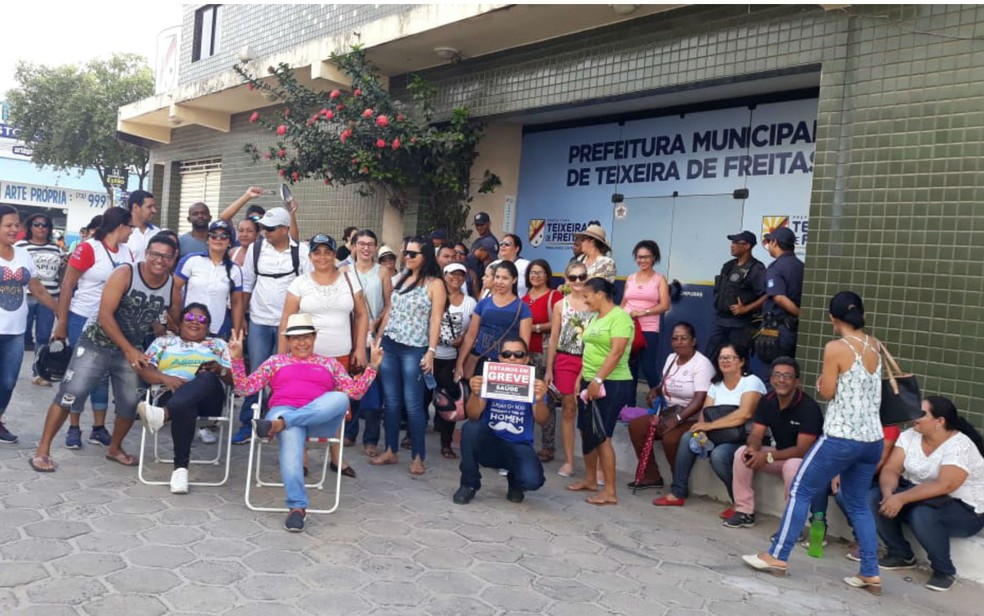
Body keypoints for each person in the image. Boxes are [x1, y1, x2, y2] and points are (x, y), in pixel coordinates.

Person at [743, 291, 885, 593]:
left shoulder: (836, 347)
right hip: (872, 440)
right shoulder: (875, 345)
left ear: (832, 318)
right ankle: (870, 572)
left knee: (800, 489)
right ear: (862, 314)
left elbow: (828, 392)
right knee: (858, 504)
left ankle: (777, 556)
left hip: (841, 436)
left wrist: (822, 383)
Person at [30, 232, 177, 472]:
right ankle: (42, 451)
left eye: (167, 257)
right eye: (155, 254)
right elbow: (104, 316)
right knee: (70, 394)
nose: (160, 260)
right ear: (147, 253)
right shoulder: (125, 274)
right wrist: (129, 350)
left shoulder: (172, 284)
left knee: (130, 402)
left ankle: (115, 448)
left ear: (174, 259)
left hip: (131, 350)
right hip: (97, 343)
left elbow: (168, 318)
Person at [229, 314, 383, 532]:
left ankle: (282, 423)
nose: (301, 342)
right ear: (288, 341)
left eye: (306, 337)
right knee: (292, 431)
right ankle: (297, 508)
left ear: (314, 337)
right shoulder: (276, 361)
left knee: (340, 398)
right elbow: (244, 389)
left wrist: (373, 366)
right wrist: (236, 359)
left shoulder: (328, 364)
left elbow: (355, 393)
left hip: (316, 419)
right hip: (284, 411)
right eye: (295, 338)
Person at [870, 396, 984, 592]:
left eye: (921, 414)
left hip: (963, 509)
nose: (915, 417)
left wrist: (901, 498)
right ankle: (901, 554)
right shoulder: (910, 436)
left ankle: (944, 570)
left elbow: (945, 485)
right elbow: (891, 470)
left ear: (940, 421)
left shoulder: (960, 445)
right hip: (921, 496)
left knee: (922, 514)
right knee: (873, 497)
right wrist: (889, 494)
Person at [279, 233, 367, 476]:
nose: (322, 257)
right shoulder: (300, 283)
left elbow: (361, 314)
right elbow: (286, 320)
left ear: (334, 255)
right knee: (303, 403)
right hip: (306, 356)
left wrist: (360, 348)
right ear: (310, 256)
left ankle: (337, 457)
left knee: (338, 406)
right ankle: (303, 456)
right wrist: (280, 356)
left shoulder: (349, 279)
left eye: (327, 251)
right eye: (317, 252)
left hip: (340, 355)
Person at [51, 207, 134, 449]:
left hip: (111, 323)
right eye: (130, 227)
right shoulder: (88, 248)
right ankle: (73, 426)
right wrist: (62, 322)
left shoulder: (128, 252)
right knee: (81, 374)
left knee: (102, 375)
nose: (131, 232)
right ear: (120, 226)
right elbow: (67, 286)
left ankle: (98, 427)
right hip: (83, 317)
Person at [653, 343, 766, 512]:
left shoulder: (751, 382)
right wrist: (700, 431)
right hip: (716, 435)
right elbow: (705, 414)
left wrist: (711, 425)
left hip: (742, 437)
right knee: (687, 438)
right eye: (721, 358)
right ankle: (678, 492)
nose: (725, 361)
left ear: (741, 361)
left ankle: (740, 504)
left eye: (730, 357)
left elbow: (745, 414)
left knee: (720, 456)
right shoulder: (716, 384)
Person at [136, 304, 233, 493]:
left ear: (208, 326)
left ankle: (163, 415)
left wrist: (219, 369)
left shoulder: (219, 345)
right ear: (180, 323)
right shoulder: (163, 342)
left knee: (205, 377)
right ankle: (180, 470)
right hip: (170, 393)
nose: (195, 321)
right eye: (189, 317)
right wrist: (165, 378)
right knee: (184, 406)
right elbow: (145, 371)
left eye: (202, 319)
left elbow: (234, 382)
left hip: (208, 398)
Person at [236, 207, 312, 444]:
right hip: (259, 320)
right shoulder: (256, 250)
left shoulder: (302, 252)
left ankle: (277, 422)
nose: (264, 232)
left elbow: (307, 287)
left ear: (284, 229)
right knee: (257, 372)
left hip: (288, 327)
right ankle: (248, 423)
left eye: (269, 229)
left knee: (282, 373)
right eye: (263, 228)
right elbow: (247, 285)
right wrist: (240, 323)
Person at [370, 237, 446, 474]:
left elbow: (436, 319)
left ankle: (417, 456)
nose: (407, 257)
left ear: (426, 257)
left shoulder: (435, 284)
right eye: (406, 253)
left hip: (415, 348)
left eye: (413, 254)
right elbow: (390, 311)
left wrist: (431, 351)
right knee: (390, 402)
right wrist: (379, 339)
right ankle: (390, 450)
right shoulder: (401, 278)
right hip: (391, 346)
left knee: (413, 404)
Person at [724, 357, 823, 529]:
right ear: (771, 379)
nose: (781, 380)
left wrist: (767, 456)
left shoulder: (809, 408)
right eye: (777, 375)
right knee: (742, 453)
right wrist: (754, 449)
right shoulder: (767, 401)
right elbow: (756, 433)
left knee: (792, 466)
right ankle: (744, 511)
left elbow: (802, 451)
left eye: (787, 376)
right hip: (779, 455)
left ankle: (792, 525)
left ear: (796, 382)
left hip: (807, 462)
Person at [453, 337, 549, 505]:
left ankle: (515, 480)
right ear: (500, 358)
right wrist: (475, 394)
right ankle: (469, 484)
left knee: (533, 481)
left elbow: (542, 420)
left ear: (526, 359)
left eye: (518, 354)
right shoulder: (489, 379)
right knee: (470, 428)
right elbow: (473, 415)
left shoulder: (534, 385)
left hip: (519, 445)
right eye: (507, 354)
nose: (512, 358)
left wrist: (540, 400)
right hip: (490, 441)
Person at [565, 277, 634, 506]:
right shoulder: (596, 318)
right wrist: (581, 379)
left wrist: (597, 379)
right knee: (587, 431)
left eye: (587, 296)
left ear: (600, 294)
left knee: (603, 435)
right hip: (590, 380)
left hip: (612, 383)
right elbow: (590, 351)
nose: (585, 301)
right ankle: (590, 480)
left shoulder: (620, 318)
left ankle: (610, 491)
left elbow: (616, 353)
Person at [627, 322, 714, 490]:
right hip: (669, 413)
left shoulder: (702, 364)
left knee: (671, 439)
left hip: (691, 418)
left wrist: (678, 419)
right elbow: (664, 384)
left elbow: (700, 399)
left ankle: (679, 483)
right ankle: (651, 476)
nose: (679, 342)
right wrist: (655, 391)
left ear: (693, 341)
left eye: (684, 338)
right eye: (675, 339)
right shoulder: (671, 358)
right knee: (636, 427)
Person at [0, 205, 58, 443]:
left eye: (17, 225)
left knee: (8, 382)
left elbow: (37, 289)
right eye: (9, 225)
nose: (15, 229)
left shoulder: (23, 255)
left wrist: (61, 313)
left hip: (15, 331)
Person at [544, 261, 596, 478]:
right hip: (565, 359)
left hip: (591, 359)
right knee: (568, 408)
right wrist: (549, 369)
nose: (577, 281)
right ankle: (568, 460)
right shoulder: (560, 305)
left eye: (581, 277)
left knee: (589, 412)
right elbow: (554, 337)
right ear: (566, 279)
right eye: (572, 277)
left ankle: (594, 465)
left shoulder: (595, 303)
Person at [344, 229, 392, 456]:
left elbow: (390, 305)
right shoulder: (343, 271)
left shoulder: (382, 272)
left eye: (370, 244)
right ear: (353, 246)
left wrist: (379, 329)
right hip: (348, 337)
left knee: (372, 391)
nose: (365, 248)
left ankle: (370, 439)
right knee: (349, 387)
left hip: (373, 338)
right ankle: (349, 433)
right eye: (361, 244)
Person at [455, 260, 533, 382]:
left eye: (505, 278)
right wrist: (460, 362)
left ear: (514, 280)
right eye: (497, 277)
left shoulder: (522, 307)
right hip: (481, 360)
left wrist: (520, 368)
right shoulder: (483, 303)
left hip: (507, 366)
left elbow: (524, 343)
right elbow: (471, 335)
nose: (500, 282)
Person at [172, 220, 244, 339]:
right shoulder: (191, 260)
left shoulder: (235, 269)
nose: (218, 239)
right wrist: (176, 321)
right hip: (189, 326)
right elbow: (174, 290)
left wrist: (235, 333)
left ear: (230, 242)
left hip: (218, 330)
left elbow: (237, 303)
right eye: (213, 235)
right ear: (207, 239)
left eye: (224, 236)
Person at [434, 262, 477, 459]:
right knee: (423, 396)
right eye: (452, 274)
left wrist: (464, 337)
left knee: (449, 400)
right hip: (431, 355)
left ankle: (445, 443)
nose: (456, 278)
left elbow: (473, 329)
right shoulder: (435, 296)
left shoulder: (470, 302)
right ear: (445, 275)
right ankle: (411, 435)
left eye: (460, 275)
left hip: (452, 358)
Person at [522, 259, 562, 462]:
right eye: (532, 273)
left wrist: (535, 328)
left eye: (539, 272)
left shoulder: (554, 296)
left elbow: (558, 323)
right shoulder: (524, 297)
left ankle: (548, 447)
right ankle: (523, 440)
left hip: (544, 353)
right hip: (524, 355)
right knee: (524, 400)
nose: (535, 276)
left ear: (547, 275)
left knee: (545, 400)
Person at [15, 213, 63, 381]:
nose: (41, 228)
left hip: (49, 298)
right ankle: (12, 367)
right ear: (30, 227)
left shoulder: (56, 248)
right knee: (21, 334)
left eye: (45, 225)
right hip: (26, 296)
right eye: (37, 224)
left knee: (43, 336)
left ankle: (38, 372)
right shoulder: (20, 246)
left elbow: (61, 274)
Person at [706, 231, 766, 364]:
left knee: (737, 361)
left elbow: (767, 295)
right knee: (710, 359)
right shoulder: (728, 266)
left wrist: (746, 308)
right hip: (720, 321)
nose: (732, 246)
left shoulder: (757, 269)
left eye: (736, 243)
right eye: (731, 242)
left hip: (740, 325)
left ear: (747, 246)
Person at [621, 239, 670, 392]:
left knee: (648, 367)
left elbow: (664, 305)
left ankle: (659, 403)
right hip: (627, 327)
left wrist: (644, 312)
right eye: (639, 257)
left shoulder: (659, 279)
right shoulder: (630, 278)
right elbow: (623, 303)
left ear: (654, 258)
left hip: (649, 328)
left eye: (646, 257)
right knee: (629, 368)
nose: (642, 260)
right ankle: (628, 408)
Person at [761, 226, 804, 360]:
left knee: (773, 372)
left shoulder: (776, 267)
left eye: (769, 241)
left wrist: (800, 314)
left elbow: (779, 297)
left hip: (778, 329)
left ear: (774, 242)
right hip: (793, 328)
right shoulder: (800, 265)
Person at [124, 190, 160, 262]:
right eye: (149, 207)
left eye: (154, 206)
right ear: (135, 207)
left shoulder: (157, 233)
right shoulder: (123, 233)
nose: (154, 210)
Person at [498, 233, 530, 298]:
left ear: (516, 248)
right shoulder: (494, 264)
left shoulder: (526, 265)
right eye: (501, 244)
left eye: (507, 244)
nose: (503, 246)